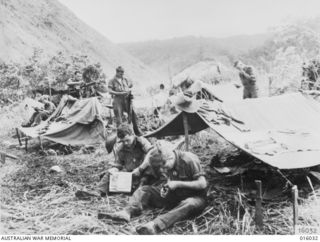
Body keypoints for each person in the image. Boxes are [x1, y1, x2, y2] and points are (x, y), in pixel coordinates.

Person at [98, 141, 207, 235]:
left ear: (170, 158)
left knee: (189, 203)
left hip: (195, 197)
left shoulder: (189, 159)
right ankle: (127, 212)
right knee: (144, 190)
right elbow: (169, 182)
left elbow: (202, 184)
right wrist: (165, 190)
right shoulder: (166, 163)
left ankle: (155, 225)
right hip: (176, 195)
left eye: (164, 168)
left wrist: (178, 184)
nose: (164, 171)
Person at [96, 123, 154, 196]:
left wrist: (140, 168)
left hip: (143, 172)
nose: (125, 143)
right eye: (123, 141)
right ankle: (99, 192)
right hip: (129, 175)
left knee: (144, 183)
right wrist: (115, 169)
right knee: (109, 174)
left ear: (132, 135)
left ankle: (135, 192)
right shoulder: (120, 148)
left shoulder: (141, 142)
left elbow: (152, 153)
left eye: (127, 140)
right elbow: (118, 165)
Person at [108, 66, 142, 135]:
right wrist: (120, 93)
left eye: (123, 73)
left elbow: (130, 86)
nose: (122, 74)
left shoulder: (125, 80)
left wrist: (129, 92)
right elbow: (110, 91)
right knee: (119, 118)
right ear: (117, 72)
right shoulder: (112, 80)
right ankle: (121, 134)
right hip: (117, 100)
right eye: (121, 73)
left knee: (132, 115)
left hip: (126, 99)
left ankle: (137, 131)